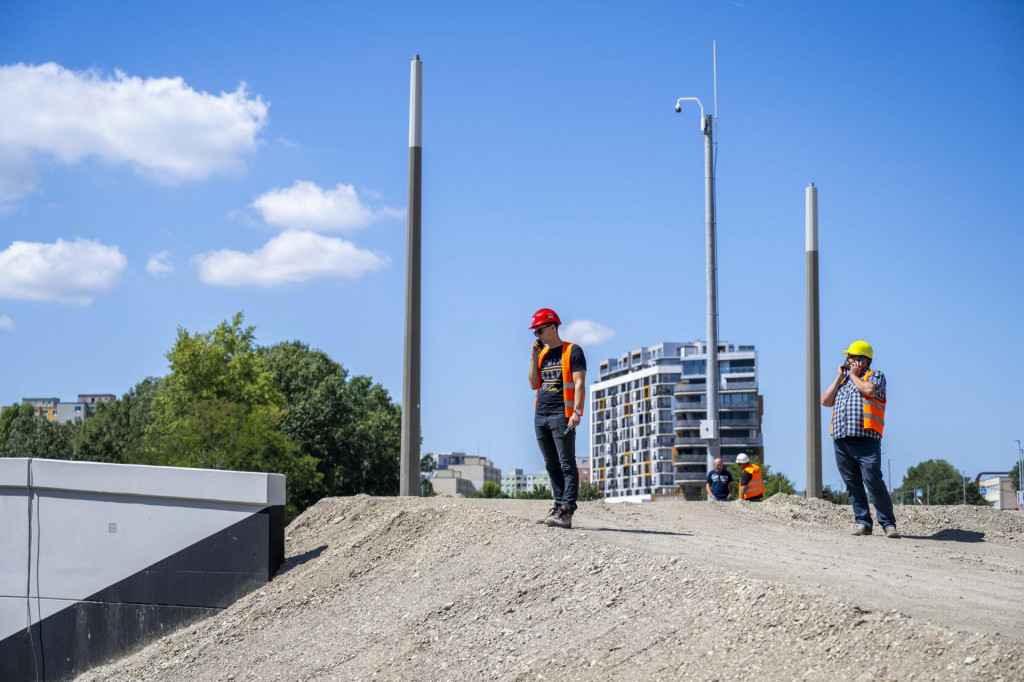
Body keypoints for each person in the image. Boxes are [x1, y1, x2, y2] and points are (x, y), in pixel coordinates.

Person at [821, 340, 900, 538]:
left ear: (862, 360)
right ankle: (863, 522)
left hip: (866, 439)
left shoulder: (875, 376)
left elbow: (869, 391)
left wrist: (854, 375)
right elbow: (825, 401)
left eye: (850, 357)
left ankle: (888, 524)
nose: (846, 360)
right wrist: (840, 376)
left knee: (873, 480)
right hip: (841, 439)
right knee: (852, 483)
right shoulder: (844, 381)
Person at [528, 308, 586, 529]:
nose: (537, 335)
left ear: (553, 327)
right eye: (535, 332)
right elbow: (533, 383)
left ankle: (567, 510)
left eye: (540, 330)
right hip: (540, 415)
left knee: (566, 464)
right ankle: (558, 505)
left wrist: (577, 412)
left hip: (562, 415)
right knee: (551, 465)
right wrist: (533, 357)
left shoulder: (573, 351)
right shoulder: (542, 354)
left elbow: (579, 383)